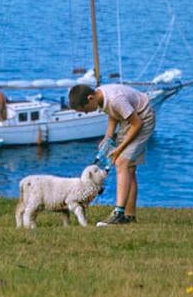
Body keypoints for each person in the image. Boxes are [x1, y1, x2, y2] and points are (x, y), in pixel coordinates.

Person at [67, 82, 156, 225]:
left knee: (122, 162)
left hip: (142, 118)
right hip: (129, 119)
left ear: (90, 98)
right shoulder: (101, 97)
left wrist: (119, 149)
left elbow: (137, 124)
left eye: (84, 110)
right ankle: (129, 216)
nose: (86, 113)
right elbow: (113, 114)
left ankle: (119, 213)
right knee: (129, 169)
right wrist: (108, 137)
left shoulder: (115, 99)